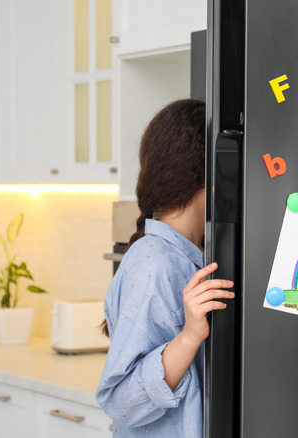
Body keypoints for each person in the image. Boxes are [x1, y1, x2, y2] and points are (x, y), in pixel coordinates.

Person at [96, 99, 234, 437]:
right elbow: (120, 403)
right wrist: (189, 337)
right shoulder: (153, 262)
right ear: (206, 171)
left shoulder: (200, 254)